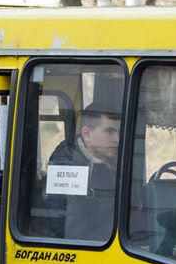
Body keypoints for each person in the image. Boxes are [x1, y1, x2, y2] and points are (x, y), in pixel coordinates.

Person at [47, 103, 121, 240]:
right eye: (110, 132)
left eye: (118, 132)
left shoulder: (112, 158)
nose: (117, 139)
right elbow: (62, 222)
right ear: (87, 134)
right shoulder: (66, 161)